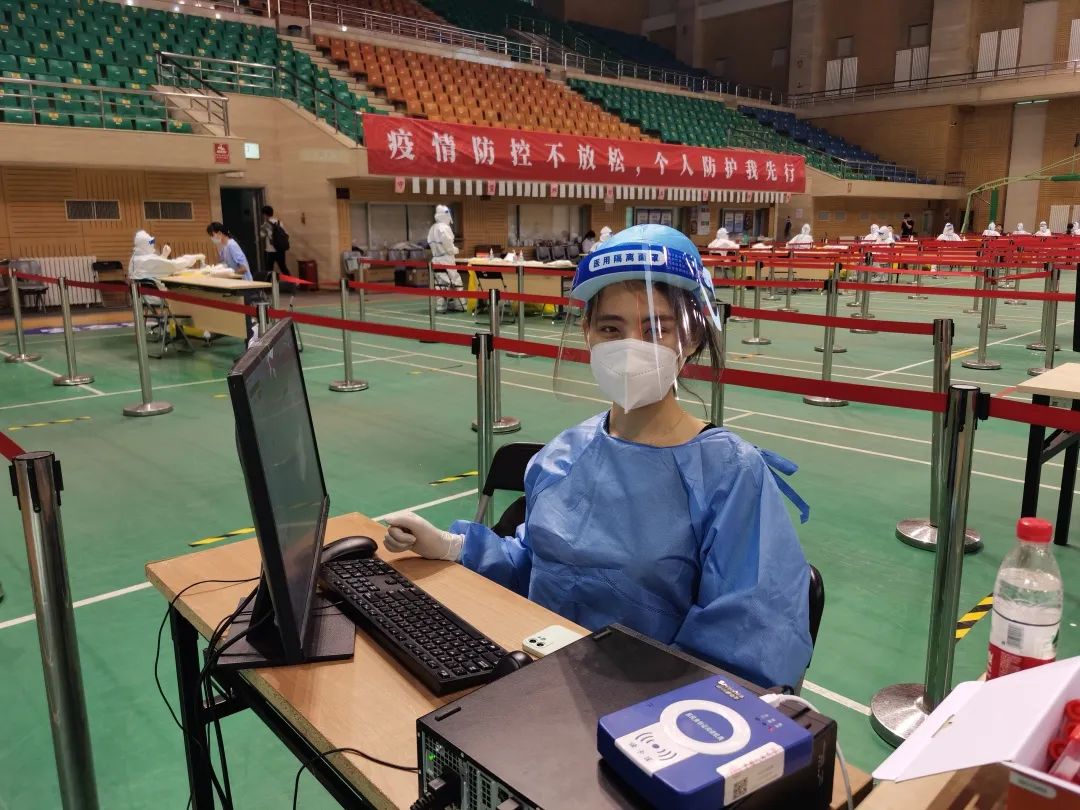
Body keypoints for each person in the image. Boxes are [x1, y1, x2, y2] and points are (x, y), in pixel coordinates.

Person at [383, 224, 814, 689]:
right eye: (611, 328)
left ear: (690, 339)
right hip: (543, 682)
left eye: (656, 329)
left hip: (653, 710)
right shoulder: (564, 455)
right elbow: (535, 566)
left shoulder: (731, 476)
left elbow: (750, 645)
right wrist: (452, 548)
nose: (631, 347)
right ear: (587, 333)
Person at [207, 222, 257, 343]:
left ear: (219, 233)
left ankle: (249, 338)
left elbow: (243, 268)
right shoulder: (224, 247)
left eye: (212, 235)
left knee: (242, 316)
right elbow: (222, 264)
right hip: (234, 285)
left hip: (244, 286)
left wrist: (229, 273)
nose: (212, 238)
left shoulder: (232, 245)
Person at [427, 204, 464, 314]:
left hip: (436, 260)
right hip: (446, 260)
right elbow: (448, 247)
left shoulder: (433, 228)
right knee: (456, 281)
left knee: (440, 284)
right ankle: (460, 305)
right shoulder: (444, 228)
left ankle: (440, 306)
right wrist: (456, 250)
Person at [128, 229, 203, 280]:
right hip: (155, 296)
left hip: (145, 296)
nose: (153, 244)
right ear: (144, 245)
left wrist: (164, 256)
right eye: (151, 242)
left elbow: (156, 268)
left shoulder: (135, 259)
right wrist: (189, 259)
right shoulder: (147, 259)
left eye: (153, 241)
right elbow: (174, 265)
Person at [259, 205, 289, 281]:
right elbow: (286, 234)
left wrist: (263, 229)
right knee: (283, 267)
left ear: (265, 214)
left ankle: (269, 285)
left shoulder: (265, 225)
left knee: (269, 269)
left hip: (270, 250)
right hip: (280, 249)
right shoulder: (279, 222)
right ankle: (292, 283)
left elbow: (262, 235)